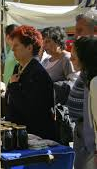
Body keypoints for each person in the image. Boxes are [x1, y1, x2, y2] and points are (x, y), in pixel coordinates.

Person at [4, 25, 57, 140]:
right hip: (22, 135)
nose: (12, 49)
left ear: (29, 48)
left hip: (36, 137)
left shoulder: (38, 73)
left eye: (16, 45)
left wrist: (14, 86)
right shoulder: (19, 67)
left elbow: (31, 109)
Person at [66, 14, 95, 169]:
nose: (76, 35)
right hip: (82, 130)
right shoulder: (88, 65)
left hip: (90, 136)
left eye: (80, 30)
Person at [41, 26, 78, 104]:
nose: (44, 46)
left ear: (58, 41)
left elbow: (74, 84)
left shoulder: (67, 59)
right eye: (43, 42)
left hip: (60, 109)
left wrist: (54, 87)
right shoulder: (45, 61)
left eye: (47, 41)